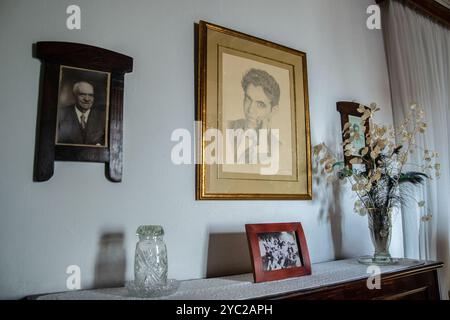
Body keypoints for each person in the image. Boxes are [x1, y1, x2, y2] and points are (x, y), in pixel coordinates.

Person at [227, 68, 281, 164]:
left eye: (260, 104)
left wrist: (263, 141)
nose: (250, 110)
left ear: (273, 111)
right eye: (248, 99)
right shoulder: (226, 128)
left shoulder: (278, 148)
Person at [56, 81, 106, 146]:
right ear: (74, 95)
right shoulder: (61, 114)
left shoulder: (103, 117)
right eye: (82, 94)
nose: (87, 99)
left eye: (90, 95)